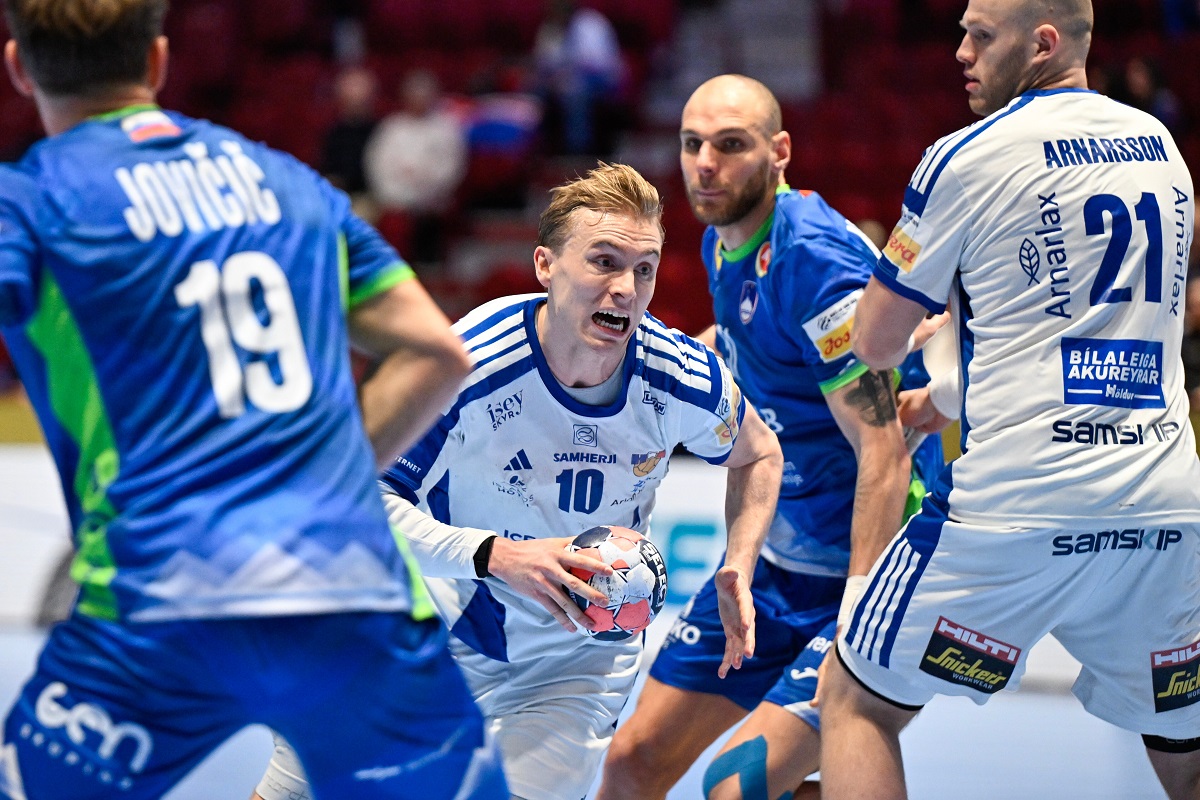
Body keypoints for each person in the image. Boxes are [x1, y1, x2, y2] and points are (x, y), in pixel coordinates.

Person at [0, 1, 507, 798]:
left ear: (18, 68)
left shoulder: (28, 203)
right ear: (158, 59)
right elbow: (438, 353)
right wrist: (321, 481)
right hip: (351, 598)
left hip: (157, 605)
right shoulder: (291, 184)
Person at [254, 162, 785, 800]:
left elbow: (759, 453)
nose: (626, 288)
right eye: (604, 262)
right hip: (438, 622)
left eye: (644, 270)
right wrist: (494, 555)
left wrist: (740, 561)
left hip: (577, 661)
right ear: (545, 266)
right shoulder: (467, 366)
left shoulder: (678, 376)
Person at [820, 2, 1200, 799]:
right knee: (1185, 749)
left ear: (1043, 44)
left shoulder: (965, 156)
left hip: (1019, 512)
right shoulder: (1162, 148)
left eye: (981, 36)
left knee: (855, 703)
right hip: (1163, 511)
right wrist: (954, 391)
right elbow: (1086, 331)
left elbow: (876, 345)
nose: (961, 52)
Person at [595, 75, 945, 800]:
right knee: (633, 761)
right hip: (780, 568)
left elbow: (882, 448)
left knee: (736, 788)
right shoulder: (724, 239)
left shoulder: (811, 260)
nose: (705, 164)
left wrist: (859, 614)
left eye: (730, 145)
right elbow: (746, 344)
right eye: (692, 144)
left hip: (869, 566)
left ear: (779, 151)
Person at [363, 68, 467, 265]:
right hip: (395, 197)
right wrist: (394, 194)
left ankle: (431, 263)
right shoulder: (391, 128)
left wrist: (425, 186)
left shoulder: (446, 128)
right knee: (392, 222)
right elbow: (377, 165)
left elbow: (452, 167)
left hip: (433, 199)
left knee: (431, 219)